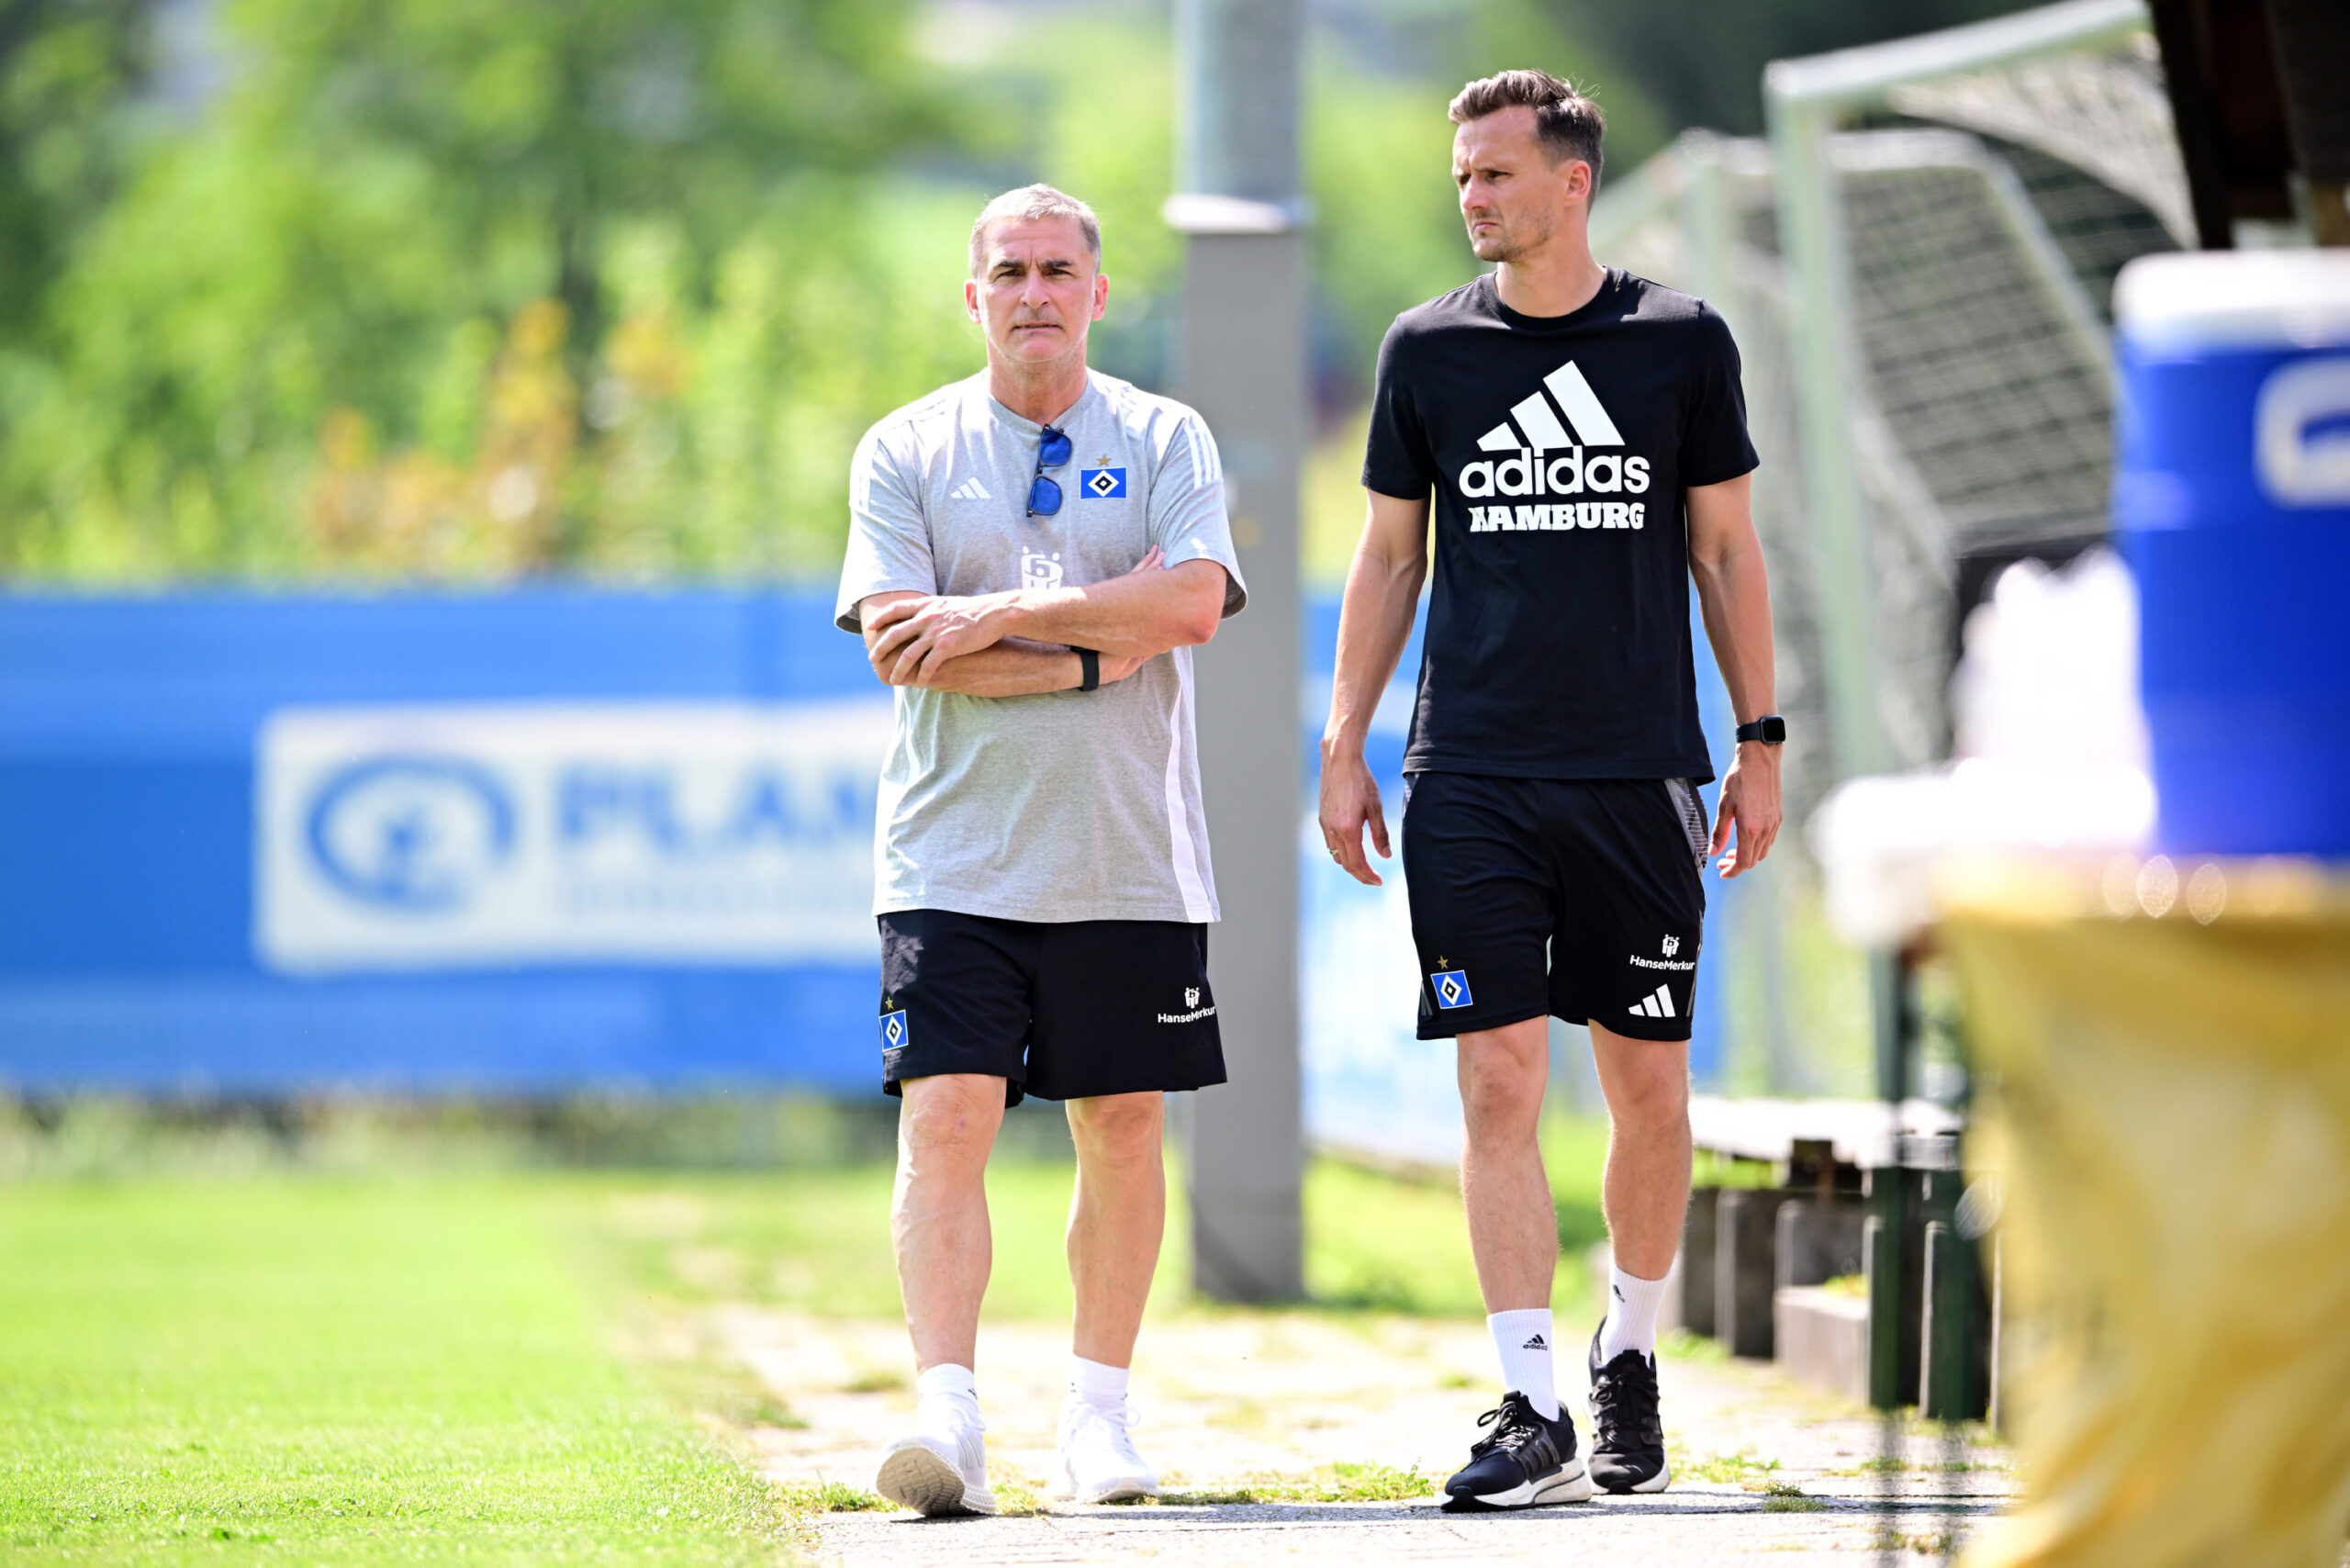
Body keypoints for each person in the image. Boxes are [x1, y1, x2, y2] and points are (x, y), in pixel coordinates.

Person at [1317, 71, 1783, 1510]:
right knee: (1496, 1075)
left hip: (1638, 767)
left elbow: (1726, 549)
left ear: (1570, 183)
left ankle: (1627, 1354)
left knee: (1646, 1084)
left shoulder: (1676, 342)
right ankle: (1529, 1404)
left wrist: (1759, 736)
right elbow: (1391, 557)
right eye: (1463, 176)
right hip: (1472, 774)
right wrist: (1346, 742)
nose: (1473, 198)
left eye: (1497, 175)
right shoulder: (1426, 353)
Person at [835, 183, 1247, 1518]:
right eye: (1007, 270)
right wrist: (1092, 652)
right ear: (974, 296)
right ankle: (947, 1422)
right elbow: (905, 645)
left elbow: (1191, 602)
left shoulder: (1165, 433)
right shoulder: (905, 448)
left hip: (1127, 855)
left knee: (1122, 1123)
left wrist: (1005, 617)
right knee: (946, 1116)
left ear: (1097, 290)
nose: (1033, 293)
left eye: (1057, 268)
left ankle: (1099, 1419)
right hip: (950, 857)